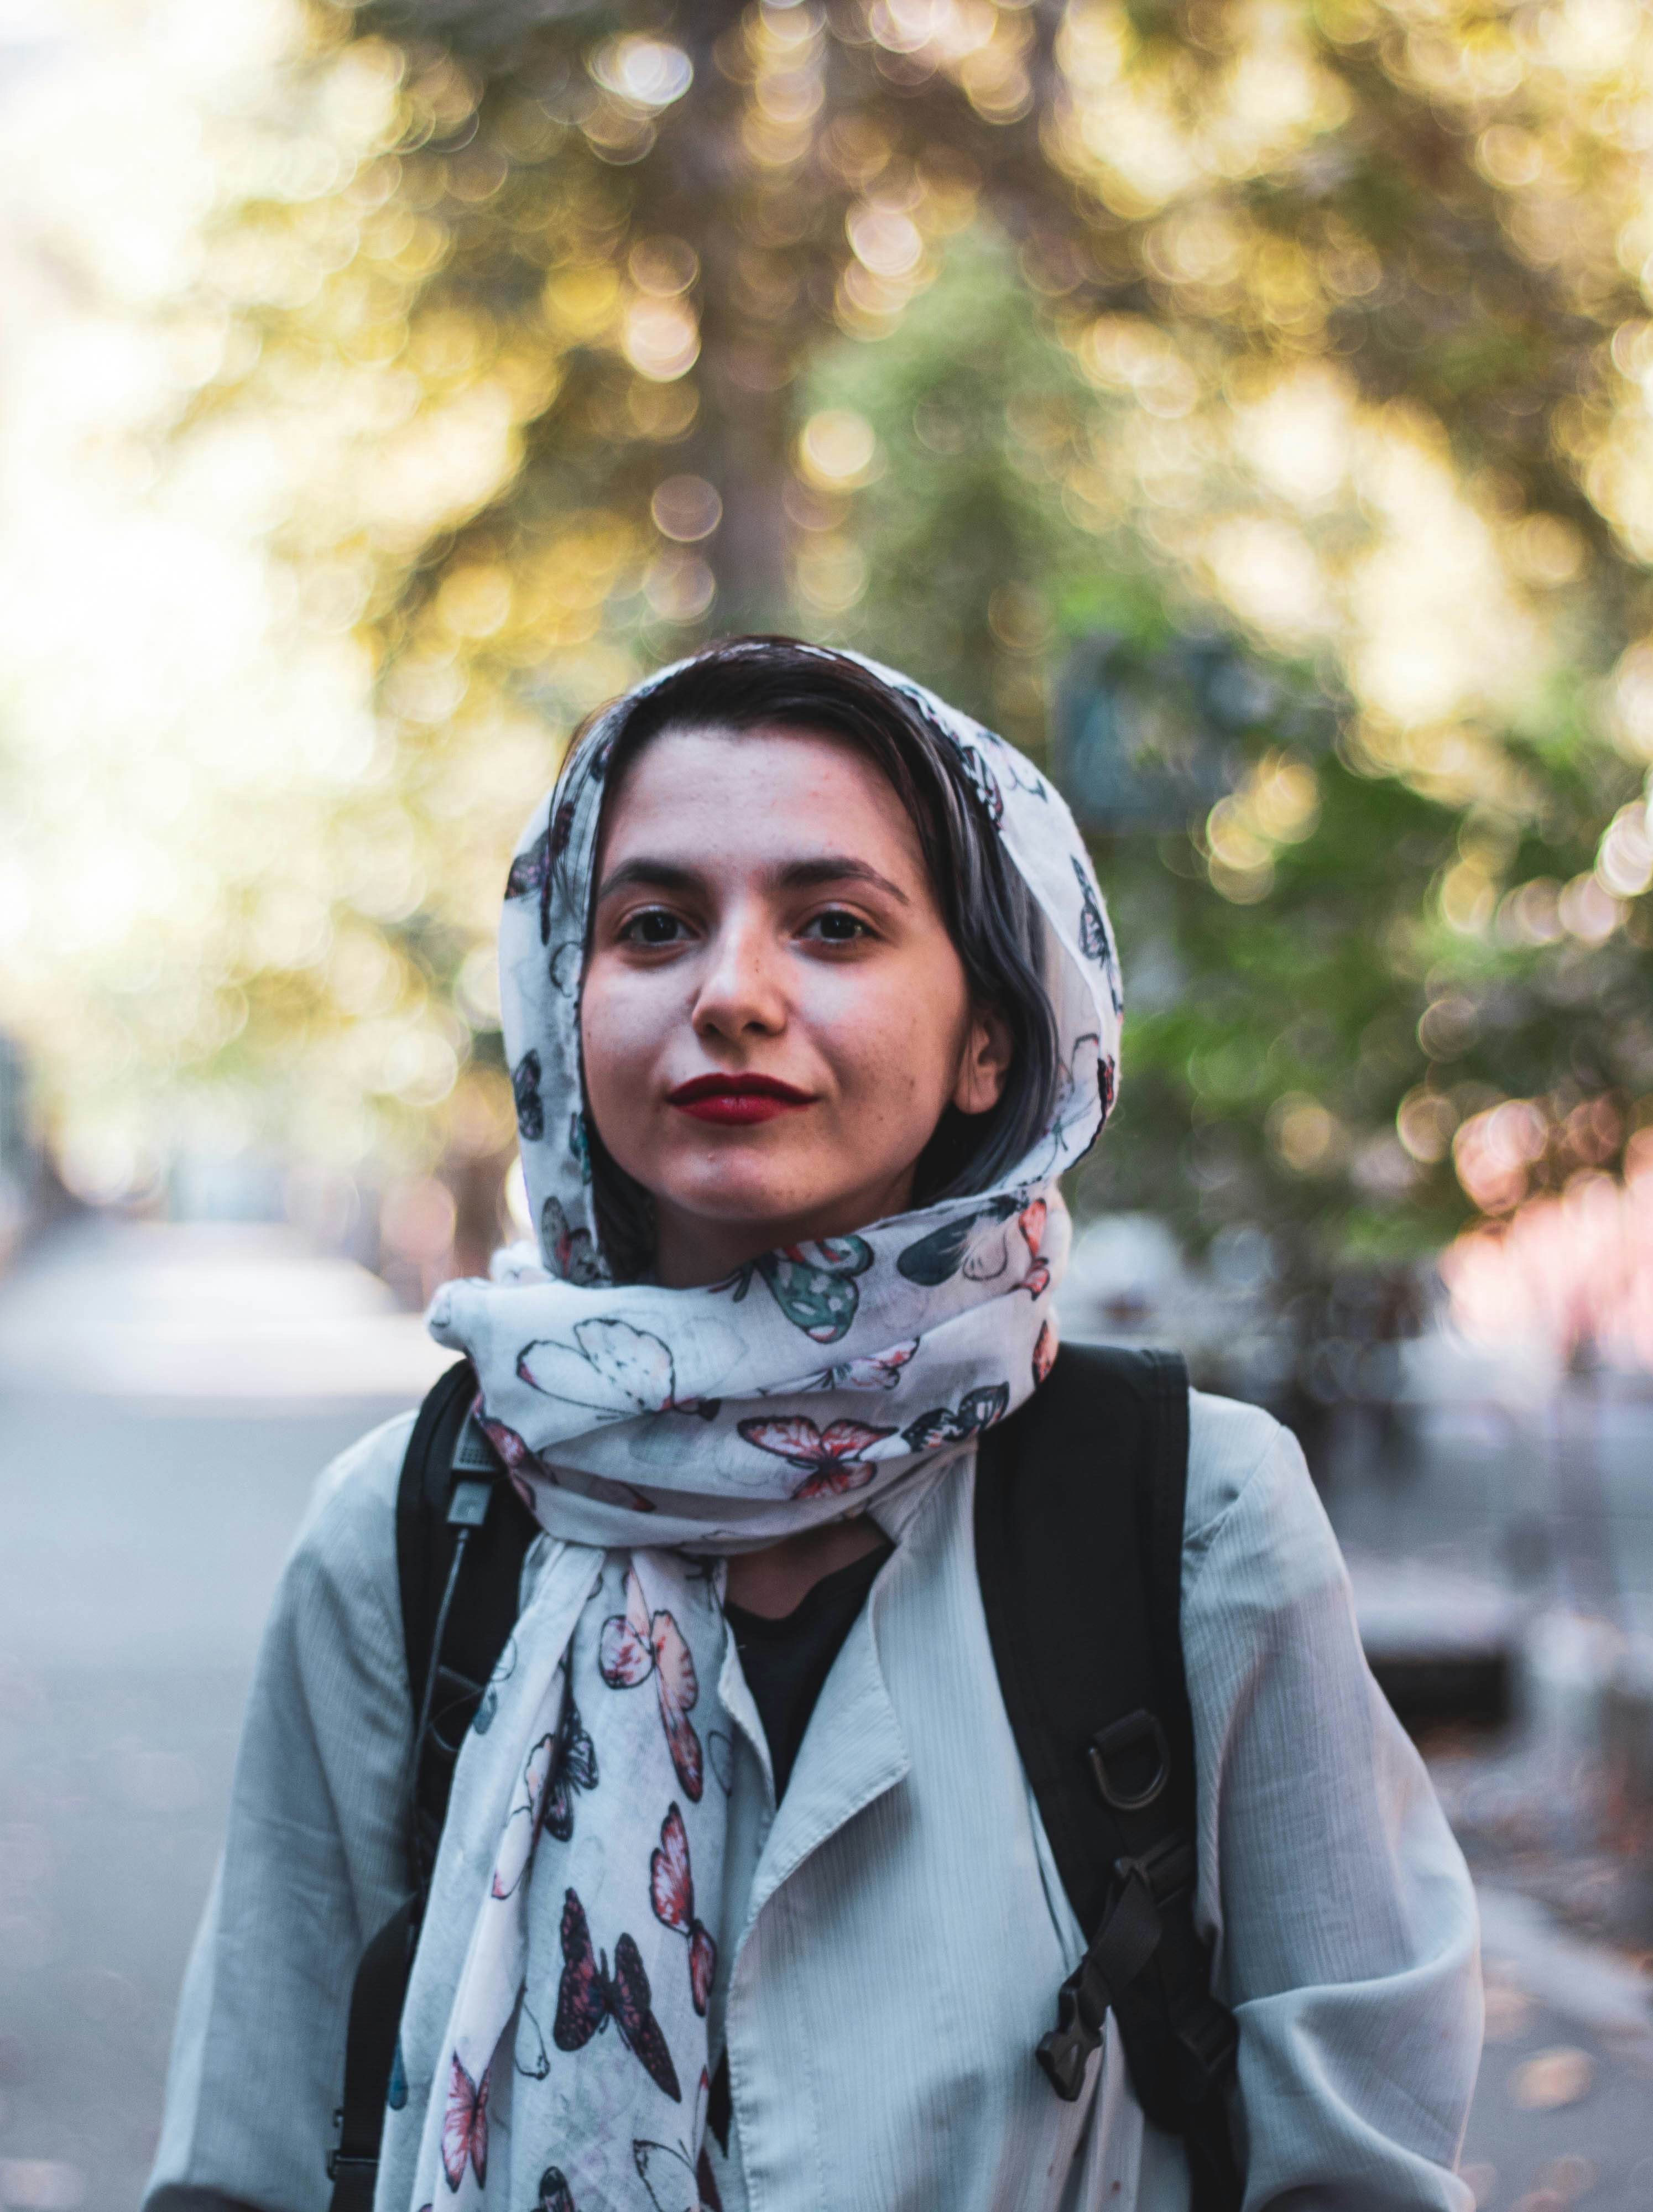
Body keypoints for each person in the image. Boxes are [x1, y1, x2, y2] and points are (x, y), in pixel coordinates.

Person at [146, 640, 1480, 2212]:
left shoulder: (1192, 1518)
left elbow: (1358, 2174)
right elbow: (247, 2161)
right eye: (653, 927)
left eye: (834, 924)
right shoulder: (409, 1532)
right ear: (567, 1012)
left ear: (992, 1037)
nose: (731, 993)